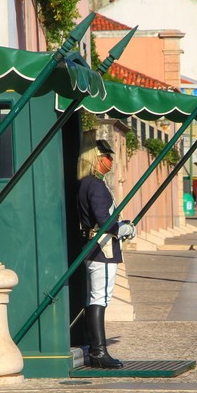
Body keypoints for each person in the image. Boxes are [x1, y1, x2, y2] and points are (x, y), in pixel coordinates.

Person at [78, 139, 136, 368]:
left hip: (96, 247)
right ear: (98, 158)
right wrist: (125, 228)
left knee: (95, 298)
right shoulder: (96, 185)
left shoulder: (88, 183)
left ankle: (95, 348)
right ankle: (98, 352)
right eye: (108, 156)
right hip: (102, 248)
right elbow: (105, 221)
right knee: (99, 298)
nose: (112, 160)